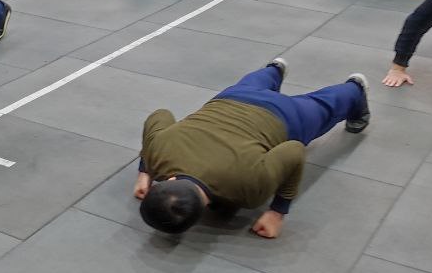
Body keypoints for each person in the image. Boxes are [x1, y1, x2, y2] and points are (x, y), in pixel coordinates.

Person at [134, 59, 371, 239]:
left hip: (285, 115)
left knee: (325, 106)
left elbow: (294, 150)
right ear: (167, 181)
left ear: (204, 210)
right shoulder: (157, 152)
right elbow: (159, 115)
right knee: (254, 83)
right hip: (232, 97)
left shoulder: (250, 191)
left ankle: (355, 89)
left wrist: (277, 212)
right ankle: (274, 69)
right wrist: (146, 169)